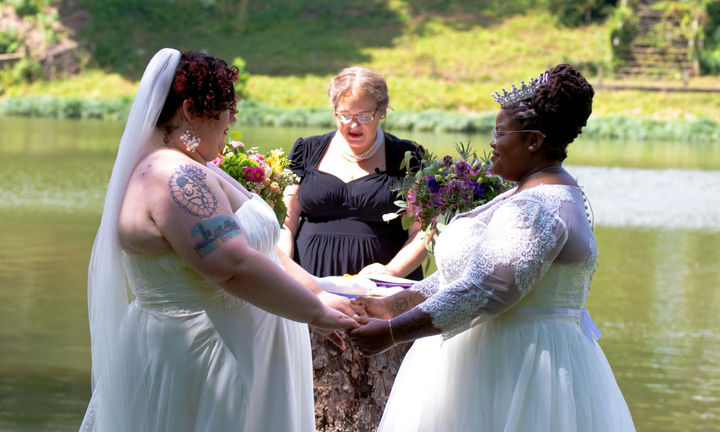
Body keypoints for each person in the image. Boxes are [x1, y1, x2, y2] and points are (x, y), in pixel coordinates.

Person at [80, 49, 359, 432]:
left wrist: (318, 293)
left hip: (233, 350)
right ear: (191, 110)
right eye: (225, 106)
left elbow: (264, 254)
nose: (233, 118)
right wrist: (315, 314)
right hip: (209, 362)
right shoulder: (172, 176)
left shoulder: (191, 165)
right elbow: (231, 265)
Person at [348, 64, 637, 432]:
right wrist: (390, 306)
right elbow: (468, 276)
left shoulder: (538, 207)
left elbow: (486, 291)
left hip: (520, 370)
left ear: (533, 141)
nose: (493, 142)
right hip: (484, 363)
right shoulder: (528, 193)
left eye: (500, 132)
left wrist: (392, 334)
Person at [278, 66, 428, 430]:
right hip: (310, 291)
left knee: (375, 404)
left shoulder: (406, 157)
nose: (354, 125)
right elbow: (286, 222)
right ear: (334, 112)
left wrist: (389, 273)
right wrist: (286, 269)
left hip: (379, 297)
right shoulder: (307, 151)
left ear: (382, 112)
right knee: (313, 401)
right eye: (346, 115)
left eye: (364, 115)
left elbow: (424, 233)